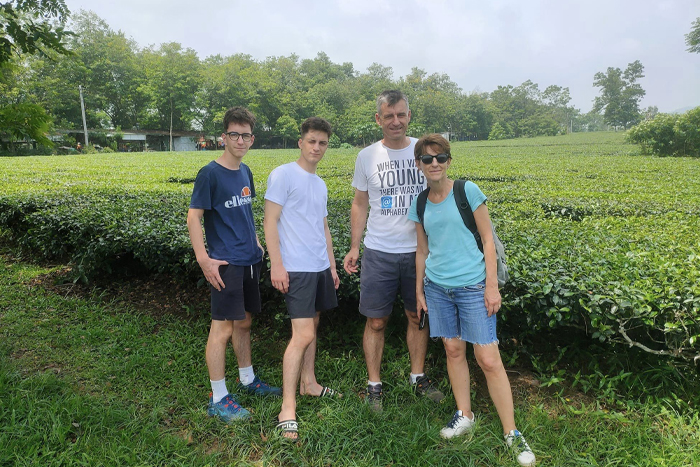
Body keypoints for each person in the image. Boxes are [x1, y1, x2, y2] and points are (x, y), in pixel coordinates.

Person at [408, 134, 536, 467]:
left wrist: (491, 285)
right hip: (437, 288)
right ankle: (464, 413)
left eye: (440, 157)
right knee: (453, 350)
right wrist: (420, 291)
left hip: (473, 287)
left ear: (449, 161)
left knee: (488, 358)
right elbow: (422, 251)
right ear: (419, 164)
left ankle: (512, 432)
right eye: (427, 158)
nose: (434, 163)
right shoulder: (420, 203)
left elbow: (488, 241)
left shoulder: (468, 191)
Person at [342, 90, 443, 412]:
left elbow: (441, 193)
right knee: (376, 322)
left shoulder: (424, 153)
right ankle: (374, 384)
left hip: (420, 252)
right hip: (379, 251)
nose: (395, 121)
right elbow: (359, 203)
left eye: (400, 114)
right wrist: (355, 246)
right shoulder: (366, 157)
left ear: (409, 115)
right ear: (378, 119)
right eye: (389, 116)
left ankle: (418, 376)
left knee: (417, 316)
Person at [187, 106, 281, 424]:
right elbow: (194, 217)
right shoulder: (209, 174)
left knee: (243, 324)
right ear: (224, 137)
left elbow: (245, 211)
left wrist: (255, 240)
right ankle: (218, 398)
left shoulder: (245, 172)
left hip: (250, 259)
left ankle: (247, 379)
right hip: (226, 263)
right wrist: (204, 260)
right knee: (222, 329)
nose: (240, 141)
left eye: (246, 135)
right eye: (234, 134)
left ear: (252, 139)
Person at [264, 117, 341, 440]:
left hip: (319, 267)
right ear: (300, 142)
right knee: (302, 334)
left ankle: (309, 383)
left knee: (314, 325)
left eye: (322, 143)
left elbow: (322, 227)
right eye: (312, 141)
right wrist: (276, 265)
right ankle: (287, 407)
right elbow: (270, 222)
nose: (317, 148)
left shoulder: (319, 183)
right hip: (295, 267)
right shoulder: (283, 174)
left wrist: (333, 267)